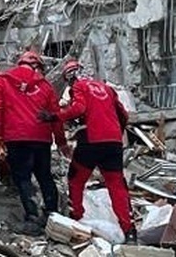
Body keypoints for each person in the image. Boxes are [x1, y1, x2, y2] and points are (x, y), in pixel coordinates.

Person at [0, 51, 68, 231]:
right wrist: (61, 141)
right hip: (41, 139)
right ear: (36, 66)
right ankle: (52, 215)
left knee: (23, 178)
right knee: (45, 176)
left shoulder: (2, 81)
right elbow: (55, 116)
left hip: (16, 138)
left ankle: (32, 217)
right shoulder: (45, 86)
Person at [56, 60, 133, 239]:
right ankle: (129, 230)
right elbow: (124, 115)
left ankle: (76, 218)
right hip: (113, 143)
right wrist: (116, 134)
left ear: (69, 78)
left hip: (91, 141)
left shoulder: (78, 87)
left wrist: (57, 116)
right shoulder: (106, 88)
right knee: (117, 185)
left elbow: (78, 109)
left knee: (76, 179)